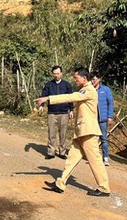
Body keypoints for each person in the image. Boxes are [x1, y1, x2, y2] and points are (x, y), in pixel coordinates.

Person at [35, 67, 111, 197]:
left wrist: (48, 98)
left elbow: (71, 96)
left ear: (84, 78)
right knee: (71, 159)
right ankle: (61, 183)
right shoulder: (84, 89)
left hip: (88, 132)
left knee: (95, 160)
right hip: (81, 132)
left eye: (76, 77)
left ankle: (104, 187)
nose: (74, 80)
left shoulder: (89, 90)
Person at [39, 65, 74, 159]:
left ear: (61, 73)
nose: (56, 75)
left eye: (58, 73)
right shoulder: (48, 85)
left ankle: (62, 152)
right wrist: (42, 106)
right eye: (54, 74)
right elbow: (44, 96)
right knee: (52, 133)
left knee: (63, 133)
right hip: (52, 112)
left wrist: (71, 110)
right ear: (52, 74)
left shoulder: (67, 85)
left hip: (64, 112)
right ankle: (51, 152)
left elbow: (70, 98)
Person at [90, 72, 114, 166]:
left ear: (99, 79)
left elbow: (110, 103)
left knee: (103, 138)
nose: (92, 81)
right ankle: (94, 158)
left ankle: (105, 158)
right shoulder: (90, 90)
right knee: (93, 139)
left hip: (102, 118)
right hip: (92, 118)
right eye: (91, 79)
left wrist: (110, 116)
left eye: (94, 79)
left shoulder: (105, 90)